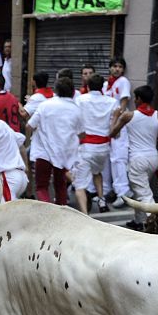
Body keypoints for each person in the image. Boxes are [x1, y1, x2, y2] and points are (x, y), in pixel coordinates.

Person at [109, 85, 158, 230]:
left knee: (144, 194)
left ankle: (156, 224)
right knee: (139, 190)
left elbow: (112, 133)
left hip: (137, 160)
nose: (134, 100)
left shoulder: (128, 116)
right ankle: (139, 221)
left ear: (138, 99)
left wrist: (115, 117)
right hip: (153, 159)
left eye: (135, 98)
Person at [26, 76, 84, 205]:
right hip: (63, 153)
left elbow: (29, 125)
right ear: (73, 92)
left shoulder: (45, 105)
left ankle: (47, 210)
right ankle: (61, 211)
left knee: (41, 186)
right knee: (60, 185)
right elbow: (81, 133)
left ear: (56, 90)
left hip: (43, 152)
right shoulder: (77, 110)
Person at [73, 73, 117, 214]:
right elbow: (113, 124)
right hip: (103, 147)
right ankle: (102, 200)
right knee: (97, 173)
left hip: (85, 146)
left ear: (88, 86)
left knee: (80, 185)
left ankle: (84, 214)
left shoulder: (80, 100)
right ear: (101, 86)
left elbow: (75, 120)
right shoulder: (112, 102)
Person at [102, 57, 132, 206]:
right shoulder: (105, 84)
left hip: (118, 123)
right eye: (114, 66)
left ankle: (123, 192)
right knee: (107, 159)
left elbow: (124, 102)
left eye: (120, 67)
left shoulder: (123, 81)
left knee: (118, 158)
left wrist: (117, 124)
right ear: (110, 68)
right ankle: (106, 190)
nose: (117, 69)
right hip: (106, 124)